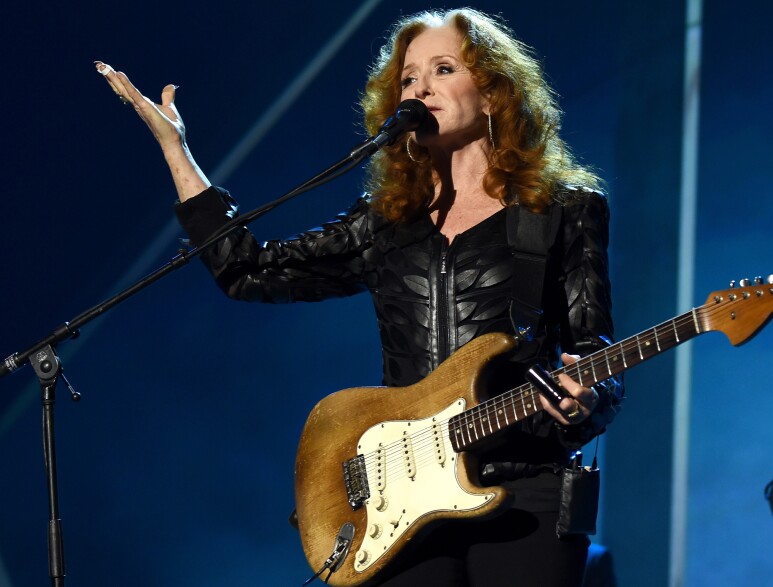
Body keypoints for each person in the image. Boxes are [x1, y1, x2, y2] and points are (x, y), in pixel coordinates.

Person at [96, 8, 622, 586]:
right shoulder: (384, 224)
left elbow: (592, 349)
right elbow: (247, 270)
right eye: (408, 79)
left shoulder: (566, 210)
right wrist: (177, 151)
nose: (420, 87)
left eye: (443, 69)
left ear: (493, 93)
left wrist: (588, 397)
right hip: (405, 497)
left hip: (528, 489)